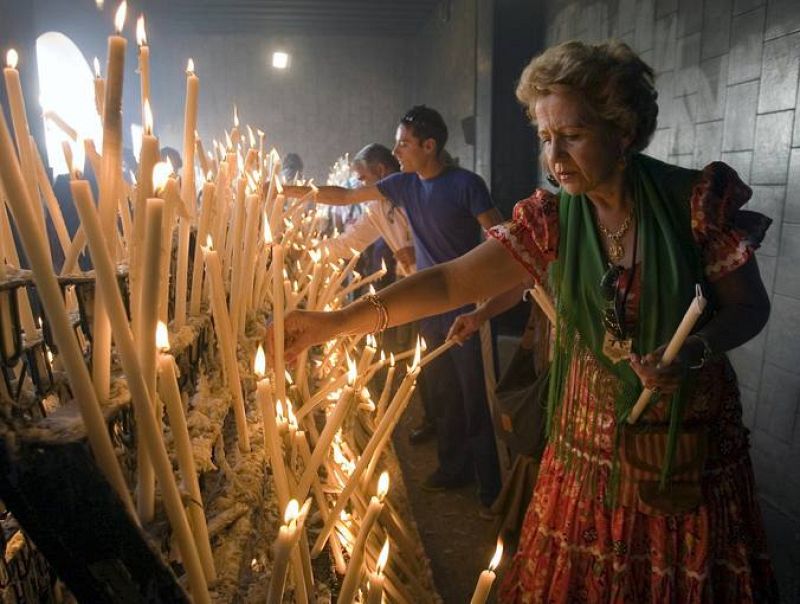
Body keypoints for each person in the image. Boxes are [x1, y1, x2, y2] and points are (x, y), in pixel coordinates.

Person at [272, 40, 778, 601]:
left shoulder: (693, 203)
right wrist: (336, 322)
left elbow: (748, 308)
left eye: (574, 135)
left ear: (624, 131)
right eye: (545, 137)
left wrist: (693, 351)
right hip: (586, 444)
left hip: (683, 448)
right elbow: (450, 281)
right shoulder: (554, 218)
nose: (555, 157)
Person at [286, 105, 504, 509]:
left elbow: (500, 238)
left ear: (429, 145)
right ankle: (453, 467)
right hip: (428, 304)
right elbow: (346, 196)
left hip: (467, 303)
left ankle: (492, 486)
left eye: (403, 143)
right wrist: (287, 191)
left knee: (475, 395)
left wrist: (492, 298)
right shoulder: (404, 185)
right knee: (440, 390)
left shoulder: (466, 184)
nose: (397, 149)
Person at [321, 143, 415, 276]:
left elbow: (345, 197)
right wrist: (312, 250)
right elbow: (350, 243)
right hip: (416, 283)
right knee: (374, 298)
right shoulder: (379, 207)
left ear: (381, 170)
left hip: (443, 284)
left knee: (379, 295)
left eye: (363, 179)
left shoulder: (417, 189)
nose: (361, 186)